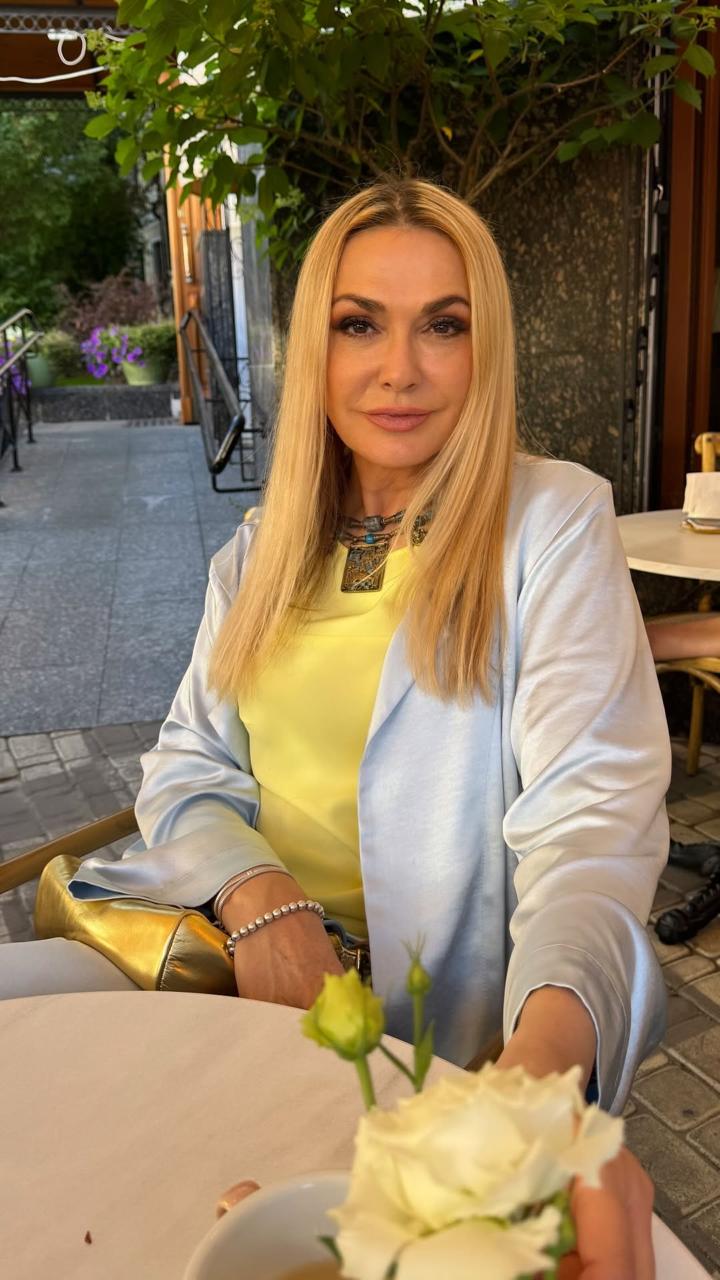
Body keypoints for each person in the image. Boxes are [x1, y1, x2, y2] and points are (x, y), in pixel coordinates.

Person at [1, 176, 668, 1276]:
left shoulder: (550, 523)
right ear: (315, 343)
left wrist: (540, 1085)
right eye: (360, 324)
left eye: (443, 325)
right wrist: (264, 902)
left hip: (405, 1041)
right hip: (208, 969)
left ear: (488, 349)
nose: (398, 369)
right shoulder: (264, 546)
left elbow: (590, 836)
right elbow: (187, 763)